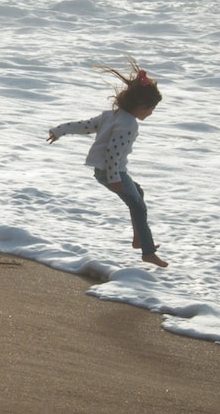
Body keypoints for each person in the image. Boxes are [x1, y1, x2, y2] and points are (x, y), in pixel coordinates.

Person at [46, 61, 168, 268]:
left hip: (105, 171)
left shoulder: (111, 115)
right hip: (113, 172)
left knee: (138, 194)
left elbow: (85, 126)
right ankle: (147, 251)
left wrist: (59, 130)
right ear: (140, 106)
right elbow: (113, 152)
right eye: (151, 109)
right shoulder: (129, 125)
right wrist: (115, 179)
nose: (151, 113)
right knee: (137, 205)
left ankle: (139, 238)